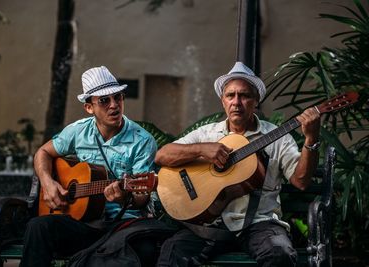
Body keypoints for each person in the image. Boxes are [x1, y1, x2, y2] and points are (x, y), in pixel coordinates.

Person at [155, 62, 321, 267]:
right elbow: (162, 155)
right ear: (222, 101)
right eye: (230, 95)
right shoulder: (207, 134)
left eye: (244, 95)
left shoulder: (277, 137)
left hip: (260, 224)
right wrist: (201, 150)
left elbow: (301, 181)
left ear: (256, 101)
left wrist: (311, 139)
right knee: (172, 252)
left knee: (280, 254)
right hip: (211, 225)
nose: (236, 102)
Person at [20, 66, 157, 267]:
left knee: (142, 249)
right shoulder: (77, 131)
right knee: (38, 227)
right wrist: (48, 182)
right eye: (104, 100)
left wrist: (124, 198)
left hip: (121, 225)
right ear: (89, 107)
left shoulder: (143, 141)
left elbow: (142, 197)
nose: (114, 105)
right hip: (82, 222)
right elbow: (43, 152)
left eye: (117, 97)